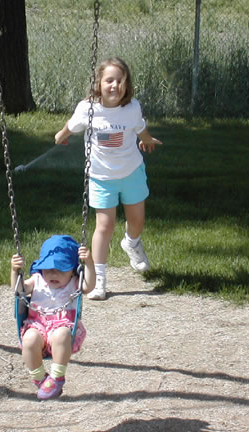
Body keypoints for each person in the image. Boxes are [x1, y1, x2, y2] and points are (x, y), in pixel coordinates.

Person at [54, 57, 162, 300]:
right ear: (98, 83)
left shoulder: (132, 107)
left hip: (131, 172)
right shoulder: (88, 108)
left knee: (137, 221)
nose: (115, 85)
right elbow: (72, 124)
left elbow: (139, 127)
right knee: (105, 226)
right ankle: (98, 279)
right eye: (109, 80)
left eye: (120, 81)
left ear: (127, 84)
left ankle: (131, 243)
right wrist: (62, 134)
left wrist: (147, 139)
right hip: (101, 178)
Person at [10, 235, 95, 400]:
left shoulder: (74, 282)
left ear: (72, 270)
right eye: (48, 269)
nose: (54, 274)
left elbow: (89, 286)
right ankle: (40, 378)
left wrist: (89, 263)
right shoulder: (37, 280)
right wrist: (15, 271)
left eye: (61, 269)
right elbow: (18, 289)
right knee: (29, 339)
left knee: (61, 334)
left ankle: (57, 377)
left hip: (63, 325)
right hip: (37, 325)